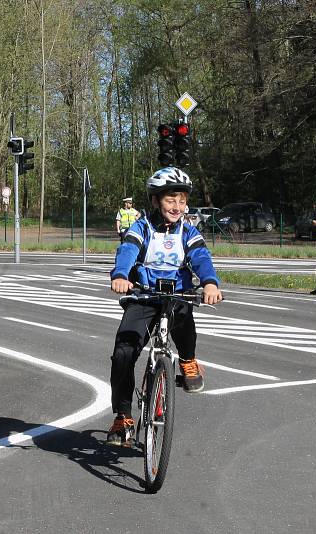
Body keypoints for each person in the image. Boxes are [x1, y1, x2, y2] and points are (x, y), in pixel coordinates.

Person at [106, 167, 223, 447]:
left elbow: (201, 257)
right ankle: (123, 416)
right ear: (157, 201)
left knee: (185, 319)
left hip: (177, 295)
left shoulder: (188, 231)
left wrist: (209, 283)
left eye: (182, 201)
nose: (177, 207)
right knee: (123, 353)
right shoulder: (142, 227)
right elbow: (128, 250)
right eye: (171, 200)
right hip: (144, 296)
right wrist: (121, 276)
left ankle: (188, 360)